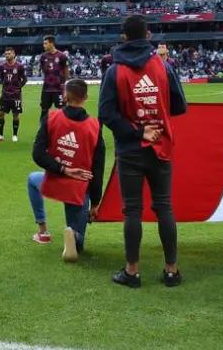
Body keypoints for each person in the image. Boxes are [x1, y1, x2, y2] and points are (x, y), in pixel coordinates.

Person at [100, 15, 188, 288]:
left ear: (124, 37)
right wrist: (155, 117)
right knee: (164, 207)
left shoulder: (114, 70)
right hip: (160, 145)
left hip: (130, 149)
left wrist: (137, 130)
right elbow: (180, 106)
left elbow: (106, 113)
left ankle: (132, 271)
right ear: (148, 35)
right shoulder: (163, 66)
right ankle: (171, 270)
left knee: (133, 211)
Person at [27, 79, 106, 263]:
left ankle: (43, 231)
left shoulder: (51, 118)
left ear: (65, 96)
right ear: (85, 97)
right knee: (77, 241)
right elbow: (98, 168)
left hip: (53, 181)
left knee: (32, 179)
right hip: (78, 190)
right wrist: (95, 203)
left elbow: (37, 154)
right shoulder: (95, 127)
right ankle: (74, 235)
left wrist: (62, 168)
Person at [0, 48, 26, 142]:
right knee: (1, 113)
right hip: (4, 95)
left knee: (15, 115)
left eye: (9, 54)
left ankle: (15, 135)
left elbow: (24, 79)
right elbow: (2, 78)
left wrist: (18, 88)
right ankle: (0, 135)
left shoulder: (19, 66)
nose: (7, 55)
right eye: (6, 54)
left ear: (13, 54)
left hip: (16, 96)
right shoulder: (2, 66)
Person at [38, 35, 70, 122]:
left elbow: (66, 72)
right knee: (44, 110)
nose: (43, 45)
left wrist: (63, 85)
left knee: (62, 110)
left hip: (58, 89)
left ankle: (62, 130)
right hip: (46, 89)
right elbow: (44, 70)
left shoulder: (62, 56)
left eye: (45, 43)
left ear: (51, 43)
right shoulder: (43, 57)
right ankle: (43, 131)